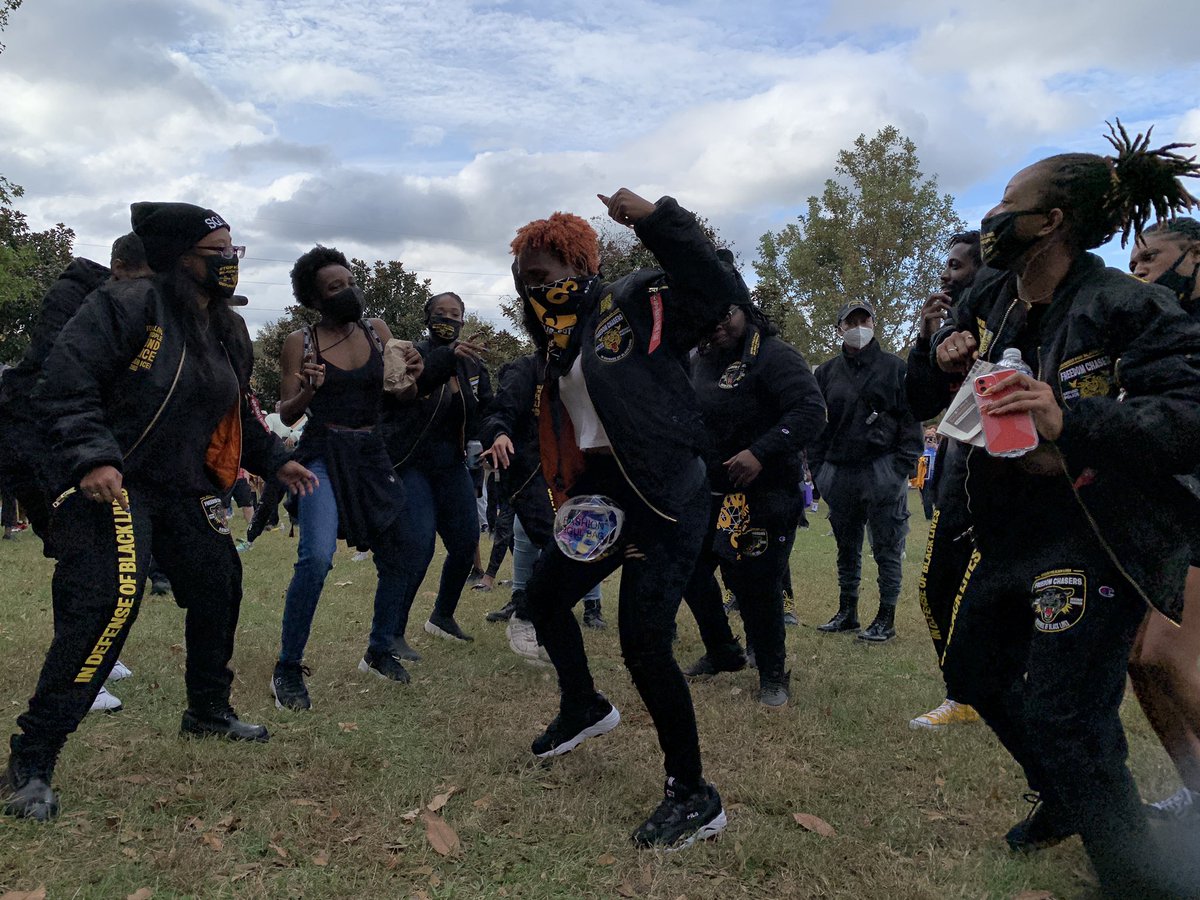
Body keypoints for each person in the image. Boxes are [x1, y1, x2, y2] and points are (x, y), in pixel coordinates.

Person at [933, 125, 1200, 895]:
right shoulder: (990, 297)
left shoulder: (1127, 304)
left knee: (1070, 720)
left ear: (1050, 221)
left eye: (1008, 204)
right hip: (1006, 531)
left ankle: (1138, 881)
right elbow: (926, 386)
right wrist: (944, 348)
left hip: (1092, 538)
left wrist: (1069, 420)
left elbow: (1187, 419)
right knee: (973, 670)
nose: (991, 217)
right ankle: (1064, 796)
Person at [2, 202, 317, 822]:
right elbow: (64, 385)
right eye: (217, 253)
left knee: (218, 580)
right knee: (112, 602)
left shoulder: (225, 329)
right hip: (114, 485)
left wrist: (274, 457)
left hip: (182, 486)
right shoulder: (124, 307)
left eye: (235, 252)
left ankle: (207, 710)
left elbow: (232, 409)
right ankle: (31, 761)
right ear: (179, 259)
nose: (230, 263)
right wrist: (93, 456)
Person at [488, 188, 744, 850]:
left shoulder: (632, 300)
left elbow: (718, 291)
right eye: (525, 283)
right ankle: (584, 706)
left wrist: (657, 220)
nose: (534, 290)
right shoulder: (557, 345)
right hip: (602, 495)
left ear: (579, 265)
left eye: (543, 276)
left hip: (665, 493)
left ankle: (694, 794)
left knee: (644, 642)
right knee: (543, 600)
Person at [0, 233, 156, 714]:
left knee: (91, 554)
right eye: (143, 280)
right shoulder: (75, 296)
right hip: (32, 437)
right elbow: (64, 369)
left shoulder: (139, 306)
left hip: (69, 439)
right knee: (83, 555)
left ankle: (97, 656)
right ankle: (79, 671)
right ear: (119, 267)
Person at [270, 245, 423, 711]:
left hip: (372, 454)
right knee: (316, 558)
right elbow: (287, 413)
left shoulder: (377, 332)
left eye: (350, 281)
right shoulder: (303, 342)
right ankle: (288, 667)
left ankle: (378, 650)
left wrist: (413, 374)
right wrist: (309, 390)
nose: (348, 291)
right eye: (335, 287)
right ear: (315, 299)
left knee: (406, 548)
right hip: (323, 453)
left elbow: (403, 393)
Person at [680, 300, 826, 707]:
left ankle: (772, 672)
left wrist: (760, 451)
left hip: (764, 492)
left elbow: (812, 411)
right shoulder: (699, 358)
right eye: (709, 318)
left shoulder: (775, 355)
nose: (718, 325)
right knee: (688, 569)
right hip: (706, 490)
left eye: (726, 313)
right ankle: (723, 649)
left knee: (757, 583)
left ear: (745, 308)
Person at [1126, 216, 1200, 821]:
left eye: (1152, 256)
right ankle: (1195, 789)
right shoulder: (1154, 332)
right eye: (1133, 263)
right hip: (1161, 517)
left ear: (1196, 255)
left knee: (1163, 657)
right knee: (1137, 663)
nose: (1140, 270)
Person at [379, 292, 492, 654]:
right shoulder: (411, 353)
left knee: (466, 541)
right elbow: (408, 393)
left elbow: (485, 410)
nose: (448, 319)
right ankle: (394, 632)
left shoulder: (474, 365)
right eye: (440, 313)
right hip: (411, 464)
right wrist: (446, 358)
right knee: (419, 545)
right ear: (427, 318)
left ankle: (442, 616)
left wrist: (494, 437)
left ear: (464, 319)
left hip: (451, 464)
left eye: (455, 313)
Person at [905, 230, 984, 731]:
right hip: (956, 477)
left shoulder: (1010, 319)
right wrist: (924, 337)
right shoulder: (945, 327)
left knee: (990, 598)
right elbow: (918, 403)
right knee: (936, 589)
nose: (945, 275)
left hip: (1015, 485)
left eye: (957, 266)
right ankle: (961, 696)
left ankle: (998, 689)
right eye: (945, 265)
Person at [810, 301, 922, 642]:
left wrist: (898, 469)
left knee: (887, 546)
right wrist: (819, 471)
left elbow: (911, 423)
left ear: (873, 322)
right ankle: (848, 611)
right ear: (840, 328)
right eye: (851, 320)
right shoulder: (825, 373)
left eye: (864, 318)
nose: (859, 325)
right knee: (847, 547)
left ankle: (885, 616)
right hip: (839, 471)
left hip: (882, 468)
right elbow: (816, 427)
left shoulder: (896, 369)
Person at [479, 352, 605, 647]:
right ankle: (526, 611)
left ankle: (581, 606)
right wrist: (499, 434)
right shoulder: (526, 369)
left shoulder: (590, 369)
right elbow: (499, 413)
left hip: (581, 471)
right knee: (553, 543)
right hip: (532, 474)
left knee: (583, 541)